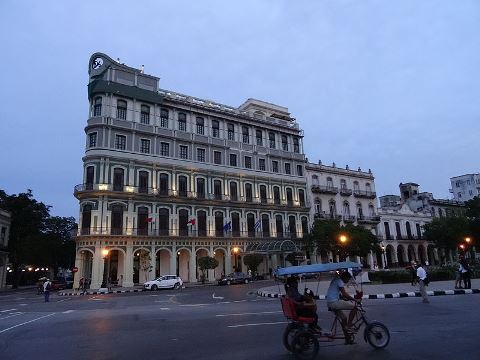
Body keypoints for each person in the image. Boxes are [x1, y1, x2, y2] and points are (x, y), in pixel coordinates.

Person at [326, 271, 360, 343]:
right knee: (354, 307)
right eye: (348, 279)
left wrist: (344, 298)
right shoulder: (340, 281)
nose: (347, 281)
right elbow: (344, 294)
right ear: (345, 277)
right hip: (334, 303)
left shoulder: (336, 280)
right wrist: (355, 300)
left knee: (344, 319)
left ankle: (347, 339)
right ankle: (349, 326)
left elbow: (336, 293)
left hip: (330, 302)